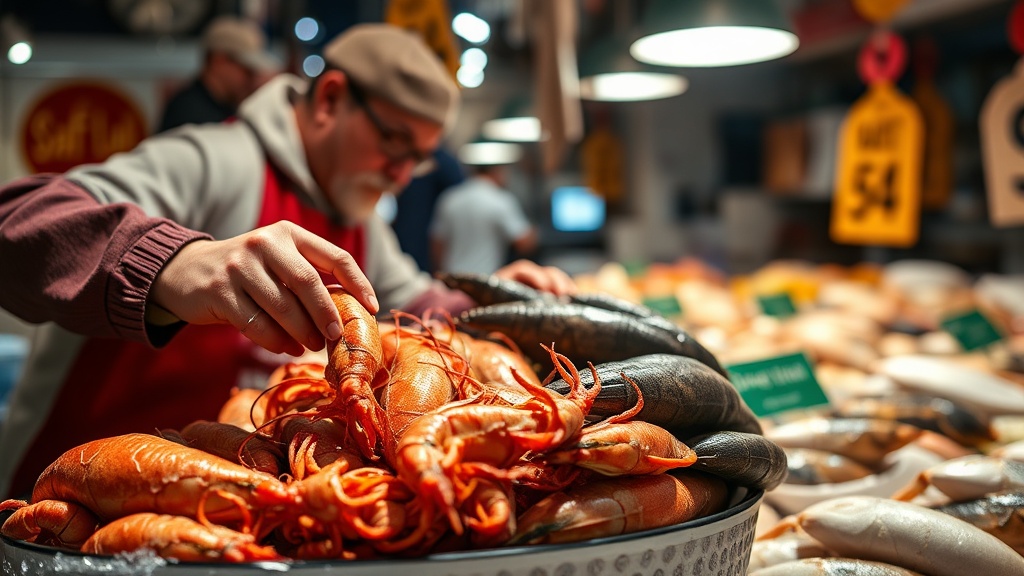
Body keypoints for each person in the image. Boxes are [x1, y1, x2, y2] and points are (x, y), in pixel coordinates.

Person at [0, 23, 574, 499]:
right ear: (329, 100)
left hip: (232, 512)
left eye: (418, 160)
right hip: (66, 508)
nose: (401, 174)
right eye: (394, 142)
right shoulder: (212, 160)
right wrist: (179, 263)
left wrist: (492, 297)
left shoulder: (360, 217)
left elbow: (411, 305)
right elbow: (16, 218)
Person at [157, 15, 280, 133]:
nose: (252, 79)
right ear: (219, 61)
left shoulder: (225, 106)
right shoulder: (189, 114)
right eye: (247, 70)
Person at [431, 163, 538, 275]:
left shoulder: (450, 198)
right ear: (497, 171)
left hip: (453, 280)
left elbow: (437, 244)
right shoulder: (500, 200)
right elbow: (524, 244)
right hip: (485, 282)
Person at [390, 146, 464, 273]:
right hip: (406, 237)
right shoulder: (400, 156)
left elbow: (458, 194)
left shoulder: (442, 161)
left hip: (425, 239)